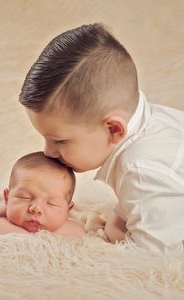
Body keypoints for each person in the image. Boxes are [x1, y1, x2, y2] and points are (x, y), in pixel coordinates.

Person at [17, 23, 184, 252]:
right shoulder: (151, 119)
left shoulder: (141, 170)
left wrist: (117, 235)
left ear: (114, 129)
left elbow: (153, 259)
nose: (48, 152)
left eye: (60, 141)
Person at [0, 151, 86, 237]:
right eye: (25, 197)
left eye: (51, 203)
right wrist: (28, 238)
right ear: (7, 198)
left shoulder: (68, 226)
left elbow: (79, 234)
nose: (36, 208)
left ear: (67, 210)